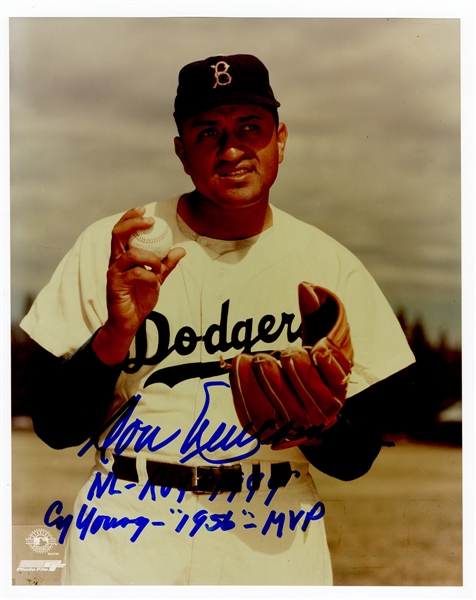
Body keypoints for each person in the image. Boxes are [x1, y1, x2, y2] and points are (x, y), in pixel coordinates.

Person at [20, 54, 415, 586]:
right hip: (129, 521)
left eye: (250, 127)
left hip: (273, 524)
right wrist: (115, 334)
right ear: (182, 151)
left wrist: (317, 426)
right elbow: (54, 427)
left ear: (281, 140)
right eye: (208, 131)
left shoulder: (330, 264)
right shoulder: (113, 247)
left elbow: (354, 459)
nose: (231, 149)